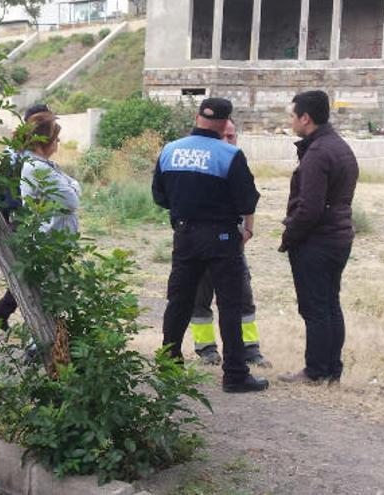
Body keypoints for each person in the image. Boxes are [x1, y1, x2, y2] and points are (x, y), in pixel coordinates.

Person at [152, 97, 268, 393]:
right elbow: (246, 200)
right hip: (221, 238)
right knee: (230, 305)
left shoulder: (170, 151)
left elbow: (160, 197)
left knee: (179, 301)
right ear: (225, 123)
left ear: (197, 117)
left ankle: (169, 363)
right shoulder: (229, 155)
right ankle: (235, 374)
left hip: (185, 236)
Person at [278, 91, 359, 385]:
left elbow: (309, 208)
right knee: (329, 304)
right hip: (338, 237)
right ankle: (331, 370)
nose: (290, 121)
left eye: (291, 115)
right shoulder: (338, 146)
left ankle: (315, 371)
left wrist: (289, 236)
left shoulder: (318, 153)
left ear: (305, 118)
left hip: (318, 240)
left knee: (315, 307)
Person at [189, 119, 270, 368]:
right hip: (201, 241)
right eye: (224, 135)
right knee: (200, 296)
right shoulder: (200, 166)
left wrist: (248, 230)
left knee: (243, 297)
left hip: (231, 242)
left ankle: (250, 349)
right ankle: (206, 349)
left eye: (232, 136)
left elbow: (249, 200)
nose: (228, 141)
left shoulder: (237, 163)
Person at [0, 104, 56, 331]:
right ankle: (10, 317)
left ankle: (1, 313)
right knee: (32, 273)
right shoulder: (27, 157)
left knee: (27, 272)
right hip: (23, 220)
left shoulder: (14, 152)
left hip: (17, 218)